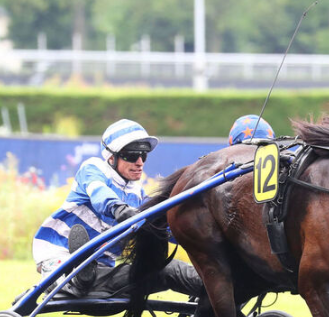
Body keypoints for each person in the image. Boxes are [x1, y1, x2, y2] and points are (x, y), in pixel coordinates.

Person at [32, 118, 203, 299]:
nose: (139, 162)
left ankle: (221, 287)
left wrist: (195, 236)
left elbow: (165, 229)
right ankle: (74, 279)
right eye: (131, 155)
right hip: (58, 257)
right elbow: (100, 194)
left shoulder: (137, 195)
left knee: (170, 270)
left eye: (143, 155)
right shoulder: (93, 169)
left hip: (102, 273)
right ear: (111, 157)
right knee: (77, 273)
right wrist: (120, 210)